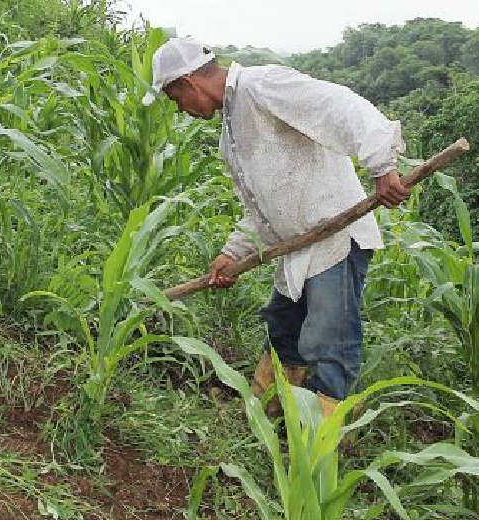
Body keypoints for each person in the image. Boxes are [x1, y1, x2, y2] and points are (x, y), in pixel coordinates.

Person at [144, 37, 411, 418]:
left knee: (328, 345)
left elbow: (341, 106)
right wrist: (231, 252)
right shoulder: (232, 132)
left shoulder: (261, 86)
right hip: (298, 247)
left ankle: (318, 452)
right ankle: (266, 420)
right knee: (283, 331)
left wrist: (382, 165)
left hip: (334, 240)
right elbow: (260, 207)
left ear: (189, 83)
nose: (181, 109)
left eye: (175, 99)